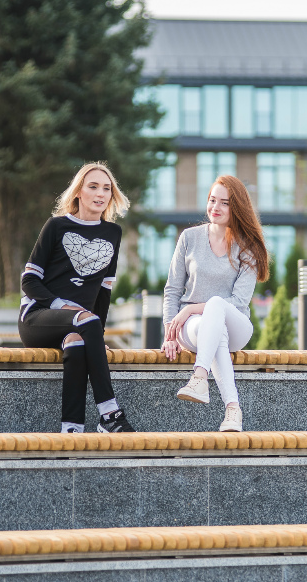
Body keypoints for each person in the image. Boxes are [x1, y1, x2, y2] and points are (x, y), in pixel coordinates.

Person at [18, 162, 135, 434]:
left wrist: (96, 337)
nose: (100, 193)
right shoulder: (56, 226)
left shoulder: (113, 233)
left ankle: (71, 429)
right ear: (78, 192)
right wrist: (63, 306)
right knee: (85, 322)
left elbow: (103, 292)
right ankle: (110, 414)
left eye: (106, 188)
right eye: (93, 186)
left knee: (77, 343)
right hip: (37, 318)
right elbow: (29, 281)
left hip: (80, 326)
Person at [161, 175, 269, 432]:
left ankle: (200, 377)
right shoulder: (189, 238)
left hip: (235, 324)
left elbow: (239, 302)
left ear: (237, 208)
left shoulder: (248, 247)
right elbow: (172, 290)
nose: (215, 207)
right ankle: (233, 410)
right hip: (194, 328)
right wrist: (169, 334)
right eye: (212, 200)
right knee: (215, 330)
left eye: (225, 203)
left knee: (217, 305)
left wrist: (191, 308)